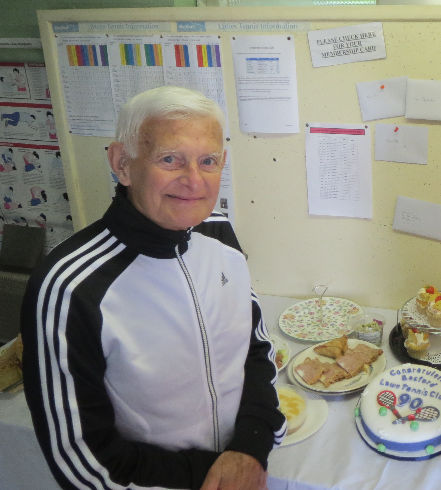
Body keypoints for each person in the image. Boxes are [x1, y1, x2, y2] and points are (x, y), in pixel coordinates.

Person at [21, 86, 286, 490]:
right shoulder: (68, 285)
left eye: (208, 161)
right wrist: (212, 476)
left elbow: (254, 349)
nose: (193, 181)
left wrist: (250, 448)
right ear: (122, 163)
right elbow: (82, 461)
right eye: (169, 159)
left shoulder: (217, 232)